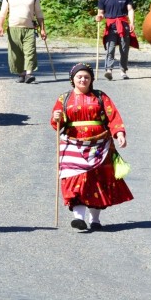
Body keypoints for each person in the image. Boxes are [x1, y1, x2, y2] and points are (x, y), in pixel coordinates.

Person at [50, 63, 133, 230]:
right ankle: (79, 218)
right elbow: (56, 124)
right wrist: (56, 117)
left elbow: (113, 116)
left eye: (86, 77)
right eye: (79, 77)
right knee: (75, 178)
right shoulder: (64, 99)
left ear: (91, 80)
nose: (83, 79)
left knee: (97, 181)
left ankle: (95, 219)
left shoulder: (101, 97)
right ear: (72, 79)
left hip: (99, 144)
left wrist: (119, 134)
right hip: (73, 144)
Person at [0, 0, 47, 83]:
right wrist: (0, 26)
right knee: (16, 53)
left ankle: (29, 74)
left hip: (29, 28)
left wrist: (42, 29)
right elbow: (2, 13)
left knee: (30, 51)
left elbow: (39, 13)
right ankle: (21, 74)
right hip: (13, 28)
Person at [95, 0, 138, 80]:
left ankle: (123, 71)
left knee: (124, 49)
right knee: (110, 48)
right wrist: (99, 17)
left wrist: (131, 22)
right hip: (110, 25)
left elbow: (130, 10)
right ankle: (109, 70)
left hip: (123, 25)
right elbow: (101, 12)